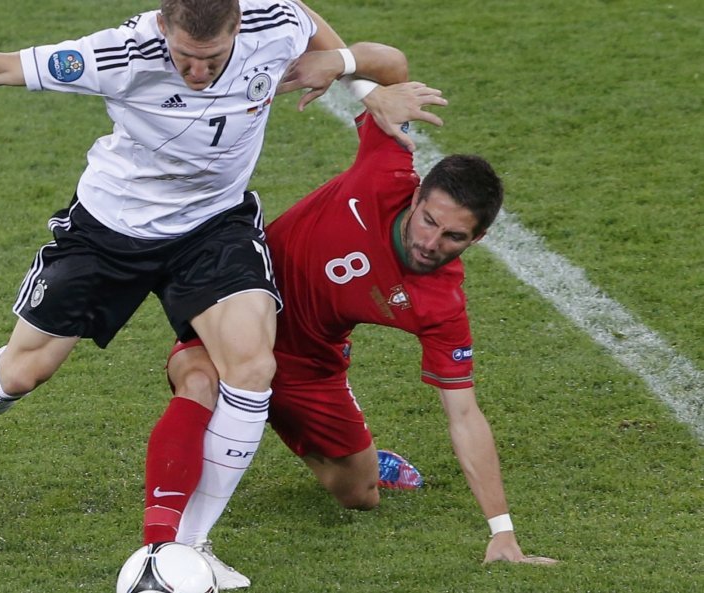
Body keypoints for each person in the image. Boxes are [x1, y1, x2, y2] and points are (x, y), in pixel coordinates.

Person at [0, 0, 447, 563]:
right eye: (185, 57)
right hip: (110, 229)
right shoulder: (118, 53)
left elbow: (332, 40)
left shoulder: (273, 21)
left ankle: (188, 549)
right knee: (24, 371)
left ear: (238, 26)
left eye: (213, 58)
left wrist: (356, 81)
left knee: (251, 368)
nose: (199, 72)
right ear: (162, 26)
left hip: (212, 228)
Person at [161, 111, 559, 587]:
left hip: (309, 366)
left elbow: (465, 415)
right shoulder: (384, 170)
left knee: (358, 494)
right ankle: (164, 540)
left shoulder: (441, 305)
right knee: (198, 381)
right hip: (235, 313)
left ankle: (337, 448)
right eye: (428, 221)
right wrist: (361, 67)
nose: (430, 243)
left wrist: (502, 530)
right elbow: (385, 75)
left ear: (479, 238)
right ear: (415, 197)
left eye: (454, 236)